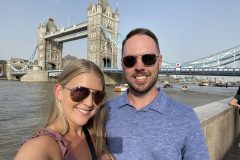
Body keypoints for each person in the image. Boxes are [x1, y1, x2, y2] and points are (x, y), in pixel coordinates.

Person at [105, 28, 210, 159]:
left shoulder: (186, 117)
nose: (139, 67)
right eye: (130, 60)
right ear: (122, 65)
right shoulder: (104, 111)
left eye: (148, 59)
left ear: (160, 60)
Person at [15, 59, 114, 160]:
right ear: (59, 92)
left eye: (98, 95)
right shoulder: (38, 147)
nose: (89, 103)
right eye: (80, 92)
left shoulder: (98, 136)